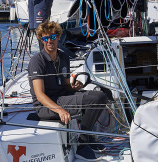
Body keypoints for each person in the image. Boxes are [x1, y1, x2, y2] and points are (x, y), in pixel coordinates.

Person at [28, 19, 108, 160]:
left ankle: (86, 136)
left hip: (62, 96)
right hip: (46, 106)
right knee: (95, 99)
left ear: (58, 37)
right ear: (41, 40)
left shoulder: (63, 57)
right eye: (45, 38)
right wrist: (59, 110)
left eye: (52, 37)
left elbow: (65, 85)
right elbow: (40, 95)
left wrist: (74, 86)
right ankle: (83, 144)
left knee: (102, 95)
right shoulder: (37, 61)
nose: (49, 41)